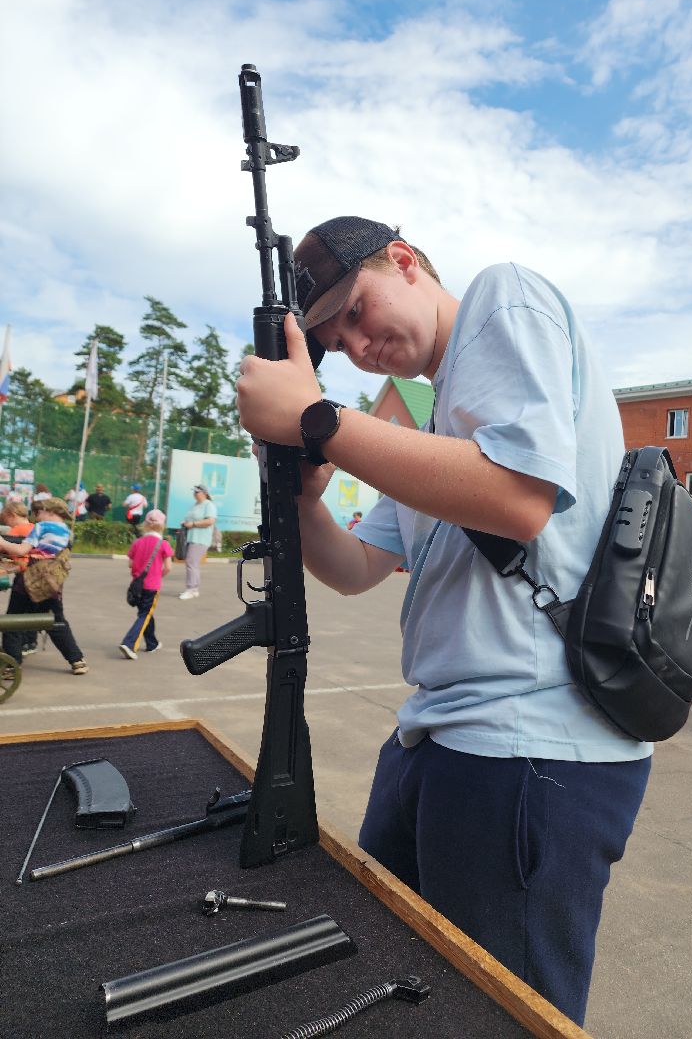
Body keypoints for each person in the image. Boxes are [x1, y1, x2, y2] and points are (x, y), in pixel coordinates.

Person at [236, 215, 652, 1025]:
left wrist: (318, 420)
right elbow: (356, 571)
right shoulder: (429, 434)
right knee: (400, 997)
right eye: (334, 338)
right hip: (437, 738)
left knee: (495, 1017)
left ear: (404, 260)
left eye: (356, 311)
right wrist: (304, 498)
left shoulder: (506, 294)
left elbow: (517, 499)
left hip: (528, 749)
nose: (356, 348)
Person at [0, 497, 88, 674]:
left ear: (51, 512)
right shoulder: (67, 532)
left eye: (40, 512)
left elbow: (20, 551)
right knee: (56, 621)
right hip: (52, 583)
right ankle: (77, 660)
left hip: (28, 582)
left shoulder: (40, 528)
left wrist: (1, 542)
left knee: (12, 621)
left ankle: (11, 665)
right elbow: (45, 555)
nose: (37, 516)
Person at [118, 509, 173, 660]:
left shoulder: (138, 542)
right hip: (152, 587)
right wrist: (157, 575)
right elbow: (168, 567)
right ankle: (129, 644)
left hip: (137, 586)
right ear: (162, 526)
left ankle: (152, 643)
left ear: (145, 525)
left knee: (145, 613)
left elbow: (130, 564)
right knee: (145, 614)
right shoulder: (164, 544)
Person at [0, 500, 38, 656]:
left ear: (12, 515)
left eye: (6, 520)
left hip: (22, 576)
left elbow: (5, 552)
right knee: (30, 613)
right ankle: (29, 643)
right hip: (38, 577)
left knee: (13, 617)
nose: (6, 524)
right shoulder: (35, 529)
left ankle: (12, 653)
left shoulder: (15, 532)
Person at [179, 485, 217, 600]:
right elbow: (190, 519)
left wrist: (193, 524)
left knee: (191, 562)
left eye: (197, 492)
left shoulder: (209, 505)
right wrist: (186, 523)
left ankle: (191, 589)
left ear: (205, 493)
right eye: (194, 492)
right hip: (191, 537)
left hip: (201, 538)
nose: (195, 494)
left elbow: (210, 521)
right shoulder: (195, 505)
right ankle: (194, 589)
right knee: (193, 563)